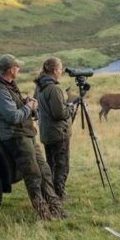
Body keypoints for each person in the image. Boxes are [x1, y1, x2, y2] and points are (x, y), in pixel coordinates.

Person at [0, 54, 62, 220]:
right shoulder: (0, 91)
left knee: (45, 171)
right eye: (17, 67)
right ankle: (44, 213)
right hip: (17, 137)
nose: (19, 69)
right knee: (33, 175)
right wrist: (28, 107)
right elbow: (12, 117)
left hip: (27, 134)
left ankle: (56, 208)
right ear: (11, 70)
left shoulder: (8, 85)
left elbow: (16, 110)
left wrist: (25, 102)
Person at [34, 57, 74, 202]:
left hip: (47, 132)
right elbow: (59, 114)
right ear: (55, 70)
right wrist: (70, 109)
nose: (61, 72)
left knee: (51, 164)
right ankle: (59, 194)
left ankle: (49, 193)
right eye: (60, 69)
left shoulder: (39, 86)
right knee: (62, 165)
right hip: (58, 133)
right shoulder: (54, 88)